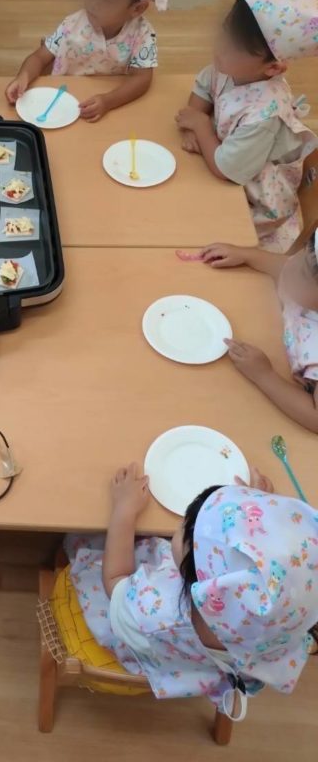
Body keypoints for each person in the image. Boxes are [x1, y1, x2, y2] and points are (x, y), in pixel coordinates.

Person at [54, 463, 318, 718]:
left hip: (139, 635)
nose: (181, 525)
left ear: (192, 574)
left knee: (88, 537)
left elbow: (115, 578)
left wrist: (125, 509)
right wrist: (260, 521)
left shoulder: (155, 608)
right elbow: (282, 573)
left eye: (187, 527)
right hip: (202, 662)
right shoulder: (286, 623)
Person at [176, 0, 318, 252]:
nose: (220, 48)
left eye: (234, 47)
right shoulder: (231, 67)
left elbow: (227, 169)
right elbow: (204, 85)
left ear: (272, 68)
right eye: (224, 33)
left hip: (254, 198)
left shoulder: (265, 115)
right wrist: (196, 117)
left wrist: (200, 126)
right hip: (226, 159)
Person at [6, 0, 167, 120]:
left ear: (137, 8)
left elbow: (142, 79)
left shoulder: (142, 34)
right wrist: (23, 76)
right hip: (63, 99)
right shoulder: (73, 24)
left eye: (105, 0)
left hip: (107, 101)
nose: (92, 3)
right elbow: (39, 58)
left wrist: (108, 101)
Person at [197, 235, 318, 434]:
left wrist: (264, 375)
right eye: (303, 252)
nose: (292, 265)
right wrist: (247, 255)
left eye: (303, 273)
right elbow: (285, 267)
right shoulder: (301, 277)